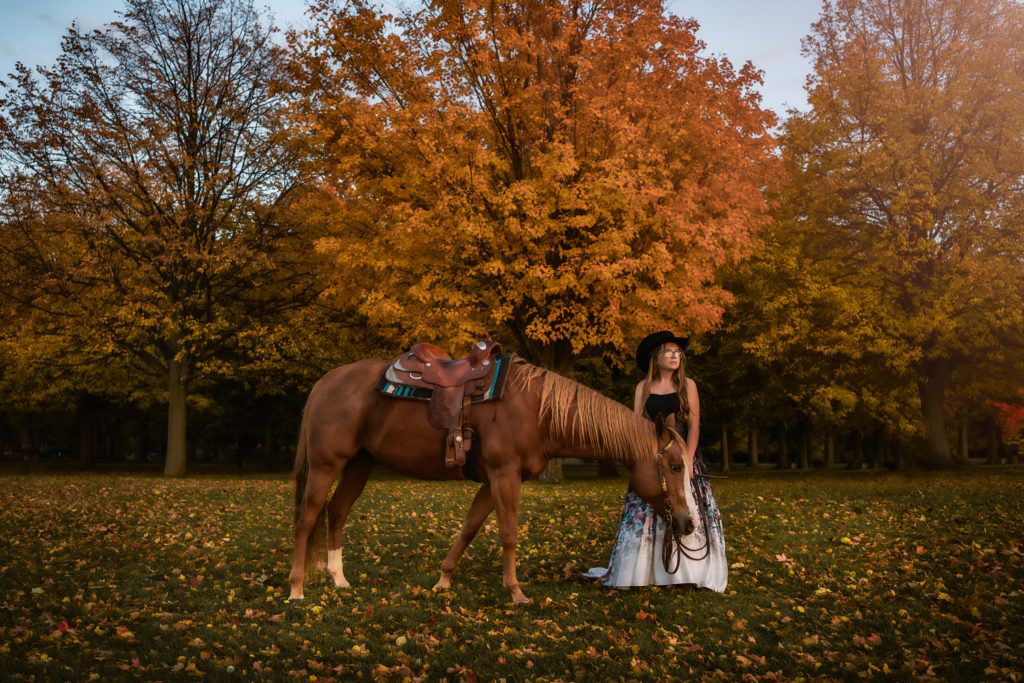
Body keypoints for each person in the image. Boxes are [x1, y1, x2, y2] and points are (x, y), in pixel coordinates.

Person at [585, 331, 727, 591]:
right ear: (656, 357)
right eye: (669, 351)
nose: (675, 356)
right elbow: (636, 424)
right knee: (645, 510)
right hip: (651, 459)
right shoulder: (643, 387)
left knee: (688, 507)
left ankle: (690, 572)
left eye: (678, 352)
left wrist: (688, 461)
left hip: (682, 457)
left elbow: (694, 424)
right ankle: (641, 572)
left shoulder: (688, 385)